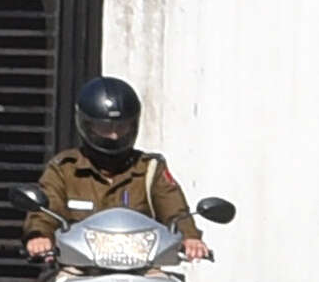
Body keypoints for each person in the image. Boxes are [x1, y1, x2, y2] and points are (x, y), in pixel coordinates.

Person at [25, 76, 208, 262]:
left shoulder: (150, 169)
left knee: (168, 281)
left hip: (142, 268)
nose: (114, 135)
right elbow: (47, 210)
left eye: (122, 127)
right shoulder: (64, 169)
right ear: (87, 125)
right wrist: (40, 236)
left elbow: (174, 210)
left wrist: (190, 238)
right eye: (105, 127)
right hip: (77, 267)